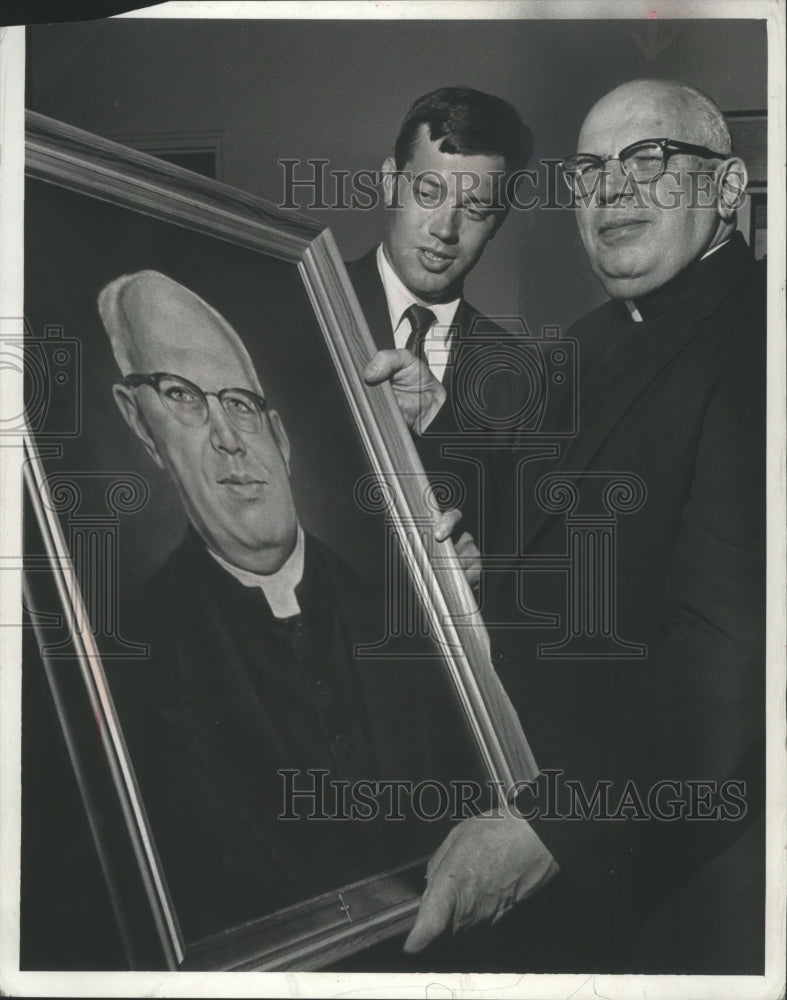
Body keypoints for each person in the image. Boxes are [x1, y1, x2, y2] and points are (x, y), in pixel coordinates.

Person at [368, 79, 765, 973]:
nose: (612, 191)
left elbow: (726, 658)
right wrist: (438, 418)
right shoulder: (593, 336)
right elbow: (547, 501)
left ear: (730, 190)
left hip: (675, 899)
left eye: (649, 161)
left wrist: (551, 826)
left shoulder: (759, 344)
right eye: (590, 170)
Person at [98, 270, 477, 947]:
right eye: (181, 397)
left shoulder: (416, 606)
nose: (227, 438)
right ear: (139, 423)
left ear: (280, 433)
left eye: (241, 405)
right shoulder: (114, 661)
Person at [351, 87, 533, 555]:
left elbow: (519, 547)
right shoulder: (310, 299)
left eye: (475, 210)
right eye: (429, 192)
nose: (445, 230)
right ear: (391, 182)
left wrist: (482, 569)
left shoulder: (522, 377)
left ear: (499, 220)